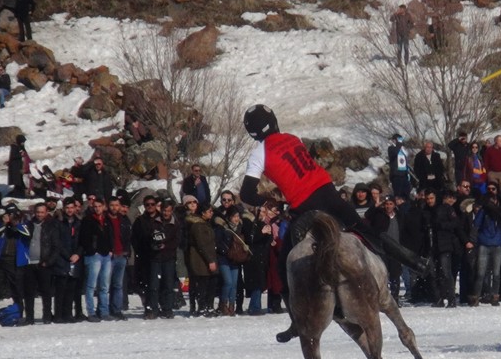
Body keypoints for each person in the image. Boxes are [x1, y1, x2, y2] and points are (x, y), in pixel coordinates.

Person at [238, 104, 429, 343]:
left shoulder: (259, 153)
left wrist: (270, 200)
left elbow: (246, 194)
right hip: (328, 191)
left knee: (285, 262)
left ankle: (296, 321)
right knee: (365, 231)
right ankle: (413, 260)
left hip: (304, 205)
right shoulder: (293, 138)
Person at [79, 197, 112, 322]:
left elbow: (110, 235)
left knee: (104, 286)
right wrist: (92, 250)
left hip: (106, 255)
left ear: (103, 207)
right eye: (95, 206)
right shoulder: (88, 220)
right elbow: (84, 238)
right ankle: (91, 312)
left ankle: (104, 311)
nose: (98, 209)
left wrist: (110, 249)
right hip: (94, 255)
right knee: (91, 285)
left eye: (100, 206)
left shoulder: (106, 219)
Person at [183, 201, 217, 318]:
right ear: (203, 213)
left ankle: (208, 306)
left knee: (209, 285)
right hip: (200, 260)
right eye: (209, 211)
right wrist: (210, 260)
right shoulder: (198, 225)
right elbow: (202, 244)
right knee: (202, 285)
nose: (211, 213)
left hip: (208, 258)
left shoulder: (206, 223)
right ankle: (202, 307)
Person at [106, 196, 131, 320]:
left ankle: (117, 309)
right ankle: (104, 310)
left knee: (118, 285)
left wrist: (127, 252)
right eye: (112, 205)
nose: (114, 208)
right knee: (105, 285)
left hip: (121, 254)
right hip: (108, 255)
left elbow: (128, 237)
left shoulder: (124, 220)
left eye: (117, 205)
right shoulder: (105, 219)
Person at [387, 134, 411, 199]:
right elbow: (394, 153)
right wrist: (398, 145)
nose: (400, 141)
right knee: (398, 195)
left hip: (404, 176)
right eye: (398, 140)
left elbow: (406, 161)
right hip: (396, 176)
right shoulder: (391, 148)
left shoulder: (403, 150)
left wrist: (408, 173)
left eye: (401, 140)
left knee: (406, 194)